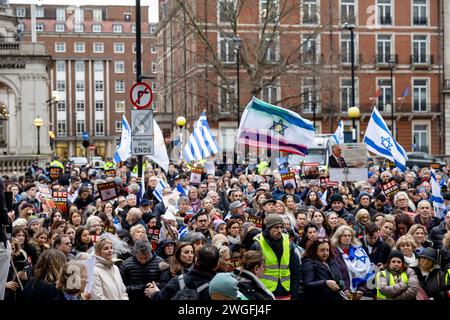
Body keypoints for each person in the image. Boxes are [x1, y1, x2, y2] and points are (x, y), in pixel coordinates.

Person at [251, 214, 301, 300]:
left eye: (281, 227)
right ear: (269, 228)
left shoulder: (288, 243)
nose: (279, 230)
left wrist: (294, 294)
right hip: (265, 291)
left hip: (286, 290)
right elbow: (252, 273)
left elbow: (295, 271)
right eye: (276, 227)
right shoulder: (257, 244)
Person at [145, 245, 219, 300]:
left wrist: (155, 293)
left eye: (192, 252)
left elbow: (161, 298)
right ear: (216, 265)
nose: (190, 255)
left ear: (196, 261)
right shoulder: (217, 288)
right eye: (186, 252)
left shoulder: (177, 281)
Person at [331, 225, 371, 300]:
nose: (347, 238)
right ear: (339, 237)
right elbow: (336, 273)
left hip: (359, 293)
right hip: (342, 293)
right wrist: (344, 288)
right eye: (344, 236)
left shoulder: (359, 251)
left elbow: (368, 271)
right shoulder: (333, 253)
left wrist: (362, 289)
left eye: (349, 236)